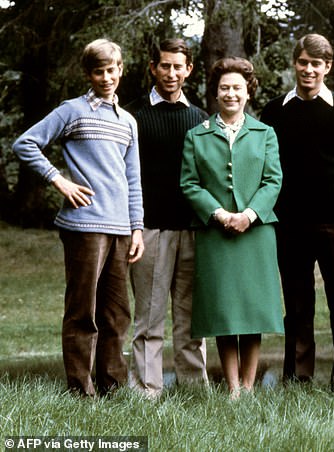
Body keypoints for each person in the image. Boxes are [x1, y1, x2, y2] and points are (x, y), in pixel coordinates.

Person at [12, 39, 144, 397]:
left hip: (120, 228)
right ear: (89, 74)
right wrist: (59, 180)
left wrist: (137, 228)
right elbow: (25, 143)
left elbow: (133, 179)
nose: (106, 77)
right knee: (82, 312)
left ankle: (113, 389)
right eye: (98, 71)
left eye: (111, 70)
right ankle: (80, 391)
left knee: (116, 314)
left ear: (121, 70)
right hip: (84, 226)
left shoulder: (128, 122)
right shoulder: (72, 111)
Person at [260, 34, 334, 384]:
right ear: (295, 63)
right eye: (303, 62)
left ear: (327, 67)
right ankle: (298, 378)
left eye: (316, 64)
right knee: (298, 304)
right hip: (289, 224)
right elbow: (266, 164)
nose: (308, 70)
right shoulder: (275, 111)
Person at [180, 56, 283, 399]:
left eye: (237, 87)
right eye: (224, 87)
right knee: (224, 312)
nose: (231, 94)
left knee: (252, 311)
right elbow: (190, 184)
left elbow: (273, 181)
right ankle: (233, 387)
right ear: (215, 92)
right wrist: (221, 215)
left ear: (248, 92)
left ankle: (250, 386)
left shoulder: (265, 133)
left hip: (256, 233)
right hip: (215, 234)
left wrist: (249, 214)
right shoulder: (197, 135)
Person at [125, 38, 208, 398]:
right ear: (152, 68)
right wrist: (135, 227)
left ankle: (194, 391)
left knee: (192, 320)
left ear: (189, 70)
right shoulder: (133, 117)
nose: (171, 73)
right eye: (165, 66)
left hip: (194, 231)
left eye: (179, 66)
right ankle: (147, 391)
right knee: (149, 318)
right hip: (151, 231)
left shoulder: (202, 120)